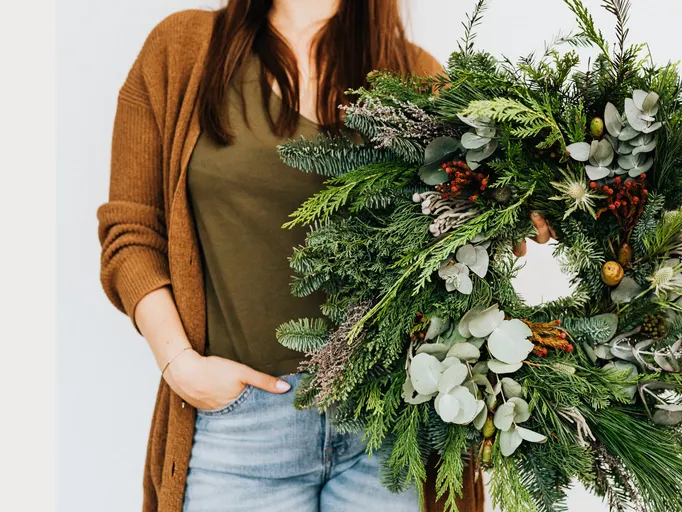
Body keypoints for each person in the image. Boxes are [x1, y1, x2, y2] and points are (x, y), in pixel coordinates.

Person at [97, 1, 554, 511]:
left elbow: (459, 232)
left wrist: (516, 208)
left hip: (388, 428)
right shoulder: (183, 50)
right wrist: (180, 364)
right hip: (240, 431)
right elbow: (132, 233)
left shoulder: (416, 76)